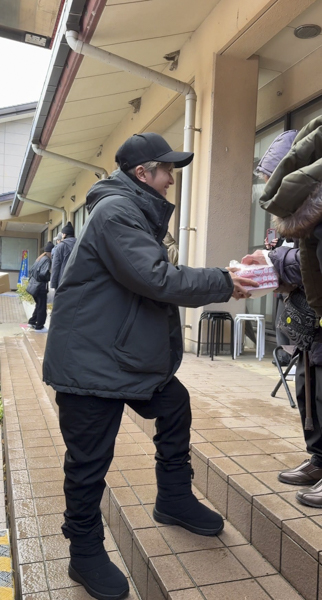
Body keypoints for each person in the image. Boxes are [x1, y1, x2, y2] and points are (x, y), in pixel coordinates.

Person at [43, 132, 258, 600]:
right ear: (143, 174)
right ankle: (84, 553)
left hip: (119, 359)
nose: (171, 181)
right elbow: (155, 278)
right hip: (89, 366)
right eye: (168, 172)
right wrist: (226, 281)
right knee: (88, 463)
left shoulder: (133, 211)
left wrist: (224, 280)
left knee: (174, 403)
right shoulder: (117, 212)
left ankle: (173, 499)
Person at [259, 115, 322, 508]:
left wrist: (275, 264)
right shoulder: (298, 218)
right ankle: (319, 458)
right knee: (310, 387)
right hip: (308, 317)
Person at [254, 130, 298, 366]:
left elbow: (312, 261)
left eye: (272, 184)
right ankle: (287, 356)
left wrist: (272, 259)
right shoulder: (289, 211)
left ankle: (289, 356)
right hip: (296, 296)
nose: (271, 194)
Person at [27, 242, 54, 332]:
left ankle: (32, 321)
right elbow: (43, 274)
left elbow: (31, 271)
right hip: (40, 287)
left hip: (33, 287)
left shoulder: (40, 258)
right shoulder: (47, 260)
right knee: (42, 307)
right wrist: (50, 277)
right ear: (50, 252)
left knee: (39, 305)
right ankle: (40, 326)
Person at [50, 221, 76, 289]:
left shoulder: (61, 246)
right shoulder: (80, 244)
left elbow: (56, 266)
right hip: (78, 283)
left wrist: (53, 284)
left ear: (64, 234)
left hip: (63, 282)